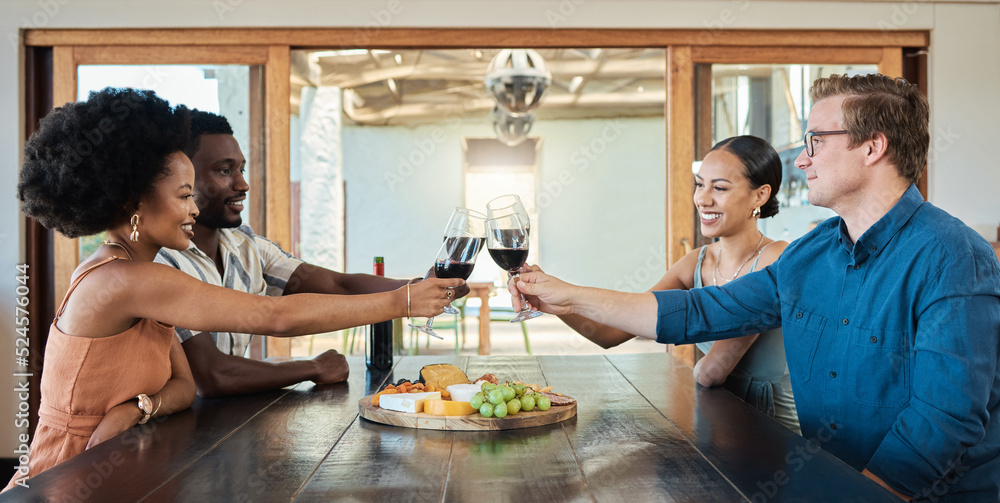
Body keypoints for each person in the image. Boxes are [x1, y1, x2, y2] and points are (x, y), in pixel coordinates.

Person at [511, 74, 999, 501]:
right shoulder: (813, 254)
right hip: (829, 482)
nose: (803, 161)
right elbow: (700, 313)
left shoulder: (955, 258)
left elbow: (942, 423)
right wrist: (564, 294)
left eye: (816, 142)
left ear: (873, 147)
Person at [7, 87, 461, 490]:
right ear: (133, 204)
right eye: (183, 196)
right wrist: (402, 301)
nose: (192, 209)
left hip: (121, 459)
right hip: (68, 474)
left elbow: (185, 387)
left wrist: (137, 408)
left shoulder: (140, 273)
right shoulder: (124, 279)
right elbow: (272, 316)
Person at [154, 109, 467, 398]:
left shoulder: (245, 245)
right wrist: (313, 368)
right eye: (225, 171)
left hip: (230, 425)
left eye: (241, 169)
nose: (243, 184)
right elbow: (213, 376)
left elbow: (336, 285)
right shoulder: (162, 261)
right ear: (185, 177)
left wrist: (420, 286)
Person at [539, 135, 798, 432]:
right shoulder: (697, 261)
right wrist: (554, 301)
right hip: (717, 421)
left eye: (720, 188)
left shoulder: (777, 258)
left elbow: (711, 371)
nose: (703, 198)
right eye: (700, 184)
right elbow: (610, 332)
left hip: (775, 436)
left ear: (760, 195)